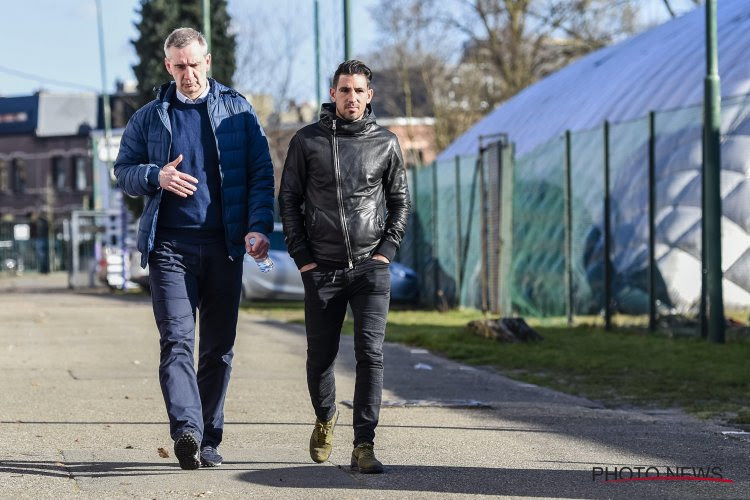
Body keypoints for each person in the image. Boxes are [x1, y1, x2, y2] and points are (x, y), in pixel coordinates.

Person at [114, 27, 274, 470]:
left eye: (194, 64)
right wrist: (155, 175)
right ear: (168, 66)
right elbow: (122, 170)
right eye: (179, 66)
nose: (187, 74)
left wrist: (258, 227)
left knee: (218, 348)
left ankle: (208, 438)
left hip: (224, 247)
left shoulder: (237, 111)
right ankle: (187, 430)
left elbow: (261, 173)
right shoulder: (149, 117)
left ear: (208, 62)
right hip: (170, 247)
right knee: (177, 342)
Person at [279, 60, 410, 474]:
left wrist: (386, 251)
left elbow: (400, 202)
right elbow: (289, 201)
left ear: (369, 96)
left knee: (370, 355)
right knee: (321, 357)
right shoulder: (307, 141)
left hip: (371, 268)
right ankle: (325, 416)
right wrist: (303, 259)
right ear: (332, 94)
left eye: (358, 91)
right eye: (344, 90)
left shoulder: (386, 143)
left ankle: (364, 445)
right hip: (323, 269)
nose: (351, 97)